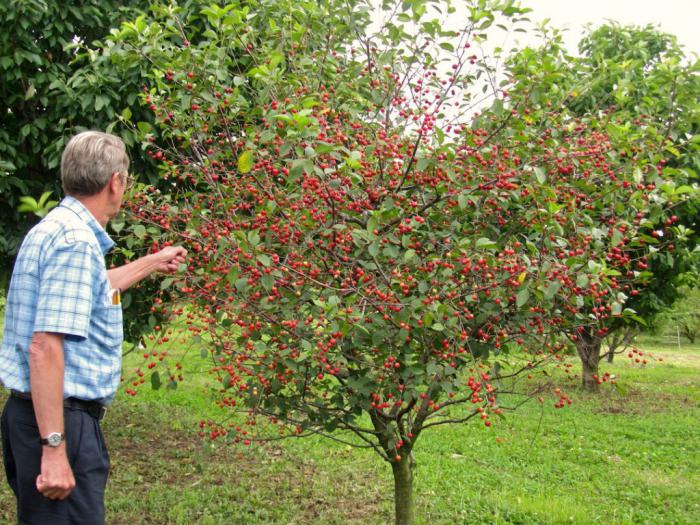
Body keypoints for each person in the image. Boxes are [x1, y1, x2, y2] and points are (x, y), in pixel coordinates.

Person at [0, 131, 187, 524]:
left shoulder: (55, 228)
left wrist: (153, 261)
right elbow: (45, 346)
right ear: (115, 182)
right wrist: (54, 448)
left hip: (32, 415)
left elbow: (93, 287)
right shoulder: (76, 242)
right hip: (58, 422)